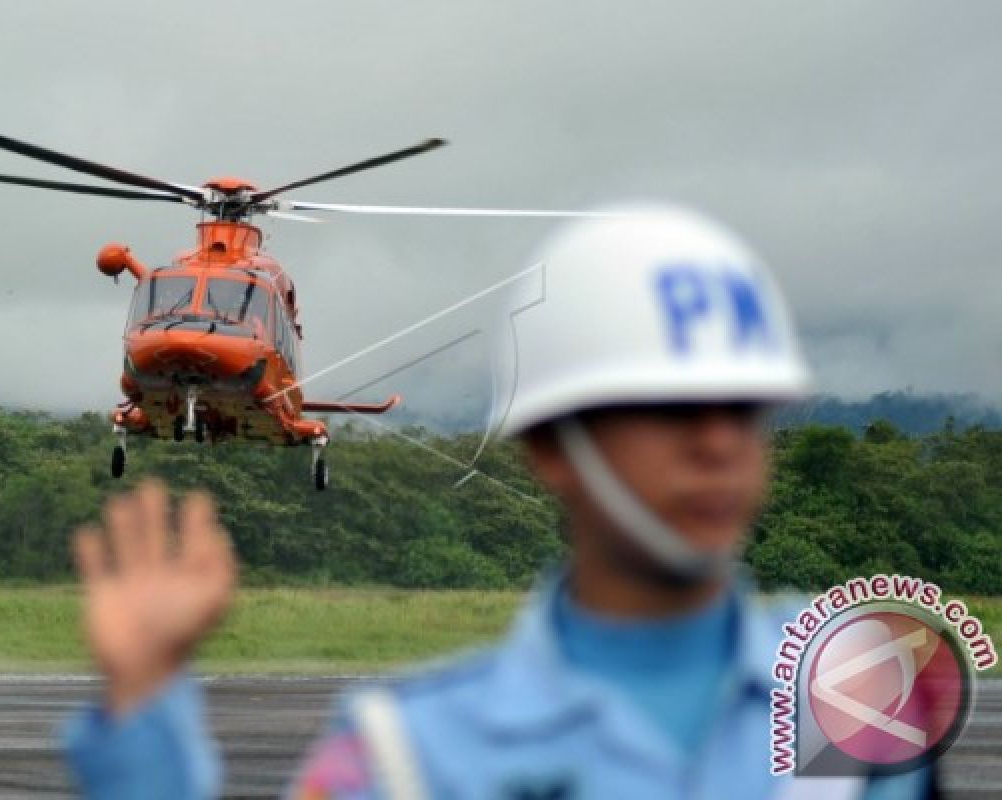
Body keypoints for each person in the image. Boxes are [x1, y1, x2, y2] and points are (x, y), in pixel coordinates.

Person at [62, 206, 937, 798]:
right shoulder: (401, 753)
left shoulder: (858, 695)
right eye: (664, 411)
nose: (717, 446)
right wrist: (143, 708)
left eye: (746, 410)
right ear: (550, 444)